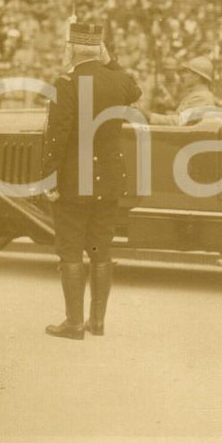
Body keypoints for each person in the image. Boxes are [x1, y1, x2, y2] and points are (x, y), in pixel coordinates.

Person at [43, 23, 142, 341]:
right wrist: (108, 61)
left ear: (70, 49)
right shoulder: (120, 81)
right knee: (101, 249)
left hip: (75, 181)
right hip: (109, 181)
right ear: (99, 49)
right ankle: (96, 322)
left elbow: (56, 136)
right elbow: (134, 91)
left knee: (70, 250)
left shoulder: (66, 83)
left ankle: (73, 324)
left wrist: (50, 176)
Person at [147, 56, 220, 126]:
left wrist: (150, 116)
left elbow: (180, 121)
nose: (183, 76)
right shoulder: (196, 94)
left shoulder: (201, 97)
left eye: (187, 72)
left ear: (197, 77)